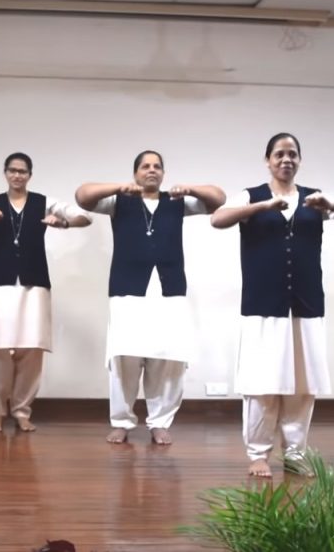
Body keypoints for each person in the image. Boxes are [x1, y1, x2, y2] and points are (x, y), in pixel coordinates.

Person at [210, 132, 334, 478]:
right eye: (279, 154)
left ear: (299, 160)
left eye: (293, 154)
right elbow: (218, 219)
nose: (286, 159)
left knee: (302, 385)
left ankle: (295, 453)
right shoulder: (251, 196)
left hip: (306, 303)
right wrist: (263, 207)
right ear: (267, 160)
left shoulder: (315, 199)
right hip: (262, 305)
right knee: (262, 384)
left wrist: (332, 203)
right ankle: (258, 454)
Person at [75, 150, 225, 445]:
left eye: (157, 166)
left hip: (169, 291)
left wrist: (190, 188)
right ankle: (122, 421)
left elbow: (218, 198)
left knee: (167, 360)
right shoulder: (119, 201)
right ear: (136, 173)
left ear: (164, 174)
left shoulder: (177, 202)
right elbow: (82, 195)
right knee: (124, 358)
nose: (151, 170)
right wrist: (119, 187)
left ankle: (159, 422)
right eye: (145, 166)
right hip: (127, 290)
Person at [0, 152, 91, 432]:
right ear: (5, 173)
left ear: (30, 175)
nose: (17, 175)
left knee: (32, 348)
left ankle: (23, 410)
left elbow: (84, 216)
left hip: (34, 282)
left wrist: (64, 223)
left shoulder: (44, 203)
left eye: (22, 171)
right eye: (12, 170)